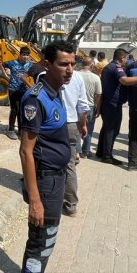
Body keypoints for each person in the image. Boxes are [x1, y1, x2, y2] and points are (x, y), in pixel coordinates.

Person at [19, 40, 75, 272]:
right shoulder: (35, 98)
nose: (70, 70)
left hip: (57, 177)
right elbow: (25, 151)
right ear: (47, 64)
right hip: (46, 181)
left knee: (48, 237)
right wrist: (35, 201)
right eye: (64, 64)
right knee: (41, 241)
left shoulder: (57, 91)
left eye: (72, 64)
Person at [97, 49, 137, 164]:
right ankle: (107, 156)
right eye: (125, 58)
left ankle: (101, 151)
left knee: (106, 127)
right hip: (113, 104)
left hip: (108, 102)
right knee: (112, 130)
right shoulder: (117, 68)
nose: (126, 60)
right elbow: (125, 81)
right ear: (121, 58)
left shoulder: (108, 67)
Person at [60, 69, 89, 218]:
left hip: (53, 124)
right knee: (70, 164)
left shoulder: (46, 75)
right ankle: (71, 205)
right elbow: (83, 106)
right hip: (71, 124)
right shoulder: (77, 76)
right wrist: (82, 125)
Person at [3, 46, 32, 140]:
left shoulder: (29, 64)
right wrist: (6, 76)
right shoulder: (12, 62)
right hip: (13, 89)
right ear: (20, 55)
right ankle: (11, 130)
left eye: (27, 55)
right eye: (24, 54)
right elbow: (2, 65)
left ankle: (20, 130)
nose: (25, 57)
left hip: (24, 90)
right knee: (14, 109)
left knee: (22, 110)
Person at [78, 56, 101, 159]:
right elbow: (98, 94)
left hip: (76, 106)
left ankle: (76, 151)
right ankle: (85, 152)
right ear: (92, 65)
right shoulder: (96, 78)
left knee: (77, 129)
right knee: (89, 129)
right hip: (90, 106)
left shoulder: (75, 75)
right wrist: (97, 107)